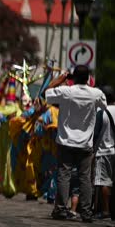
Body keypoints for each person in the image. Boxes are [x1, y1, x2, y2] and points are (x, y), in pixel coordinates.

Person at [45, 65, 107, 222]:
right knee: (85, 178)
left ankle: (60, 209)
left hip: (66, 141)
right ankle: (86, 212)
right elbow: (103, 106)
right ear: (87, 78)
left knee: (63, 176)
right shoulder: (96, 94)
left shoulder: (66, 91)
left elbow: (46, 93)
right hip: (86, 143)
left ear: (72, 78)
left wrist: (59, 80)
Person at [93, 85, 115, 219]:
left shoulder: (102, 113)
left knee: (104, 182)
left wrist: (92, 151)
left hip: (104, 151)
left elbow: (96, 134)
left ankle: (105, 210)